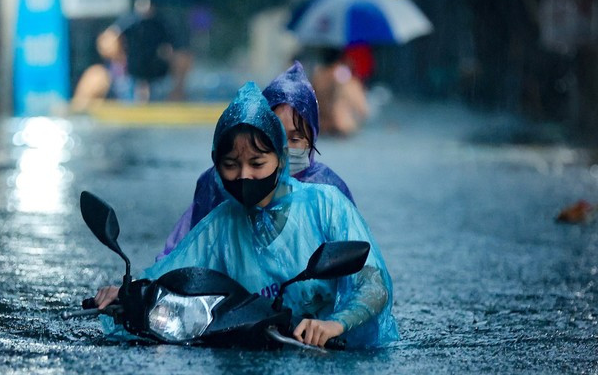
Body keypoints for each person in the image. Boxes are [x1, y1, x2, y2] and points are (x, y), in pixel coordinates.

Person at [95, 82, 399, 348]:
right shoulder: (220, 225)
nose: (244, 176)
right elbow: (172, 271)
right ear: (216, 165)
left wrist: (335, 323)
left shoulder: (325, 203)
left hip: (326, 355)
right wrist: (128, 292)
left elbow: (373, 283)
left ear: (280, 159)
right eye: (231, 164)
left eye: (257, 163)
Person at [157, 61, 354, 260]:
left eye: (295, 139)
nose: (284, 149)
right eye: (277, 137)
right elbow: (180, 252)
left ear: (312, 139)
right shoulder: (221, 183)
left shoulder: (328, 193)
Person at [310, 46, 370, 136]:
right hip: (341, 124)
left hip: (321, 125)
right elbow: (362, 109)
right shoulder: (342, 74)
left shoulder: (317, 76)